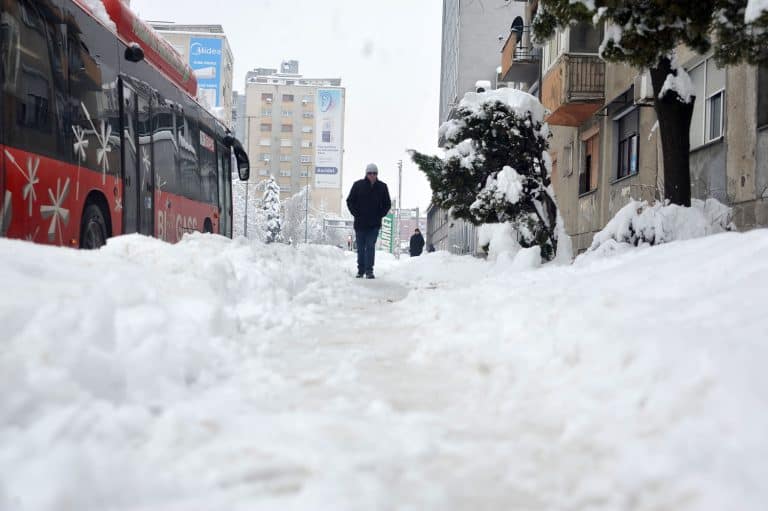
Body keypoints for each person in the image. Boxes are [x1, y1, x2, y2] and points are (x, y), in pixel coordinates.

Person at [346, 163, 391, 279]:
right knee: (361, 248)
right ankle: (360, 270)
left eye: (374, 173)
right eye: (370, 173)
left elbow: (387, 204)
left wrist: (380, 214)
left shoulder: (382, 187)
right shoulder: (358, 185)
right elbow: (350, 201)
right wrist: (355, 213)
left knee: (370, 246)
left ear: (377, 174)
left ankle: (369, 270)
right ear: (366, 174)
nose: (372, 175)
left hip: (374, 224)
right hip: (360, 223)